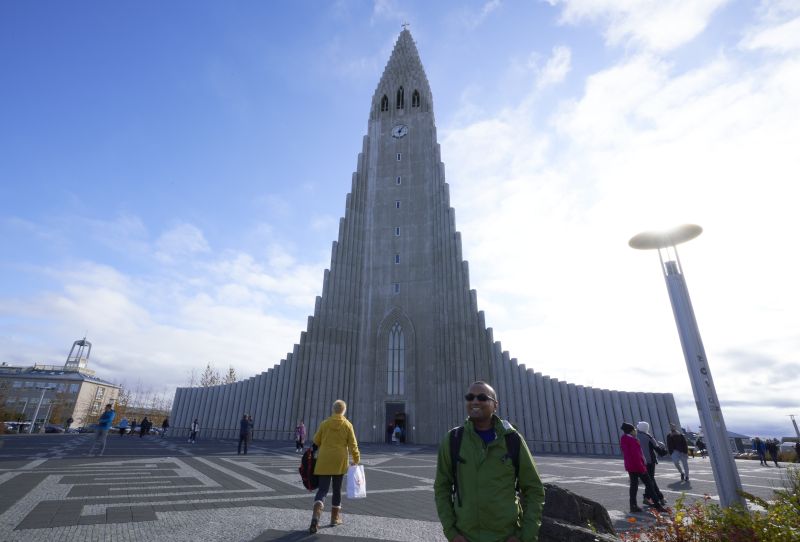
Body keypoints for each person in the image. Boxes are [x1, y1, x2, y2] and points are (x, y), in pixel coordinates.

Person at [434, 381, 545, 542]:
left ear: (495, 405)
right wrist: (451, 533)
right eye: (470, 397)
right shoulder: (453, 440)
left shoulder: (512, 440)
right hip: (466, 537)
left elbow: (534, 489)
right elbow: (441, 487)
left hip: (505, 536)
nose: (475, 401)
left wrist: (525, 536)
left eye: (482, 397)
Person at [309, 399, 360, 533]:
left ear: (333, 409)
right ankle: (334, 518)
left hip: (324, 459)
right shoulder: (348, 425)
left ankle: (316, 515)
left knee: (323, 490)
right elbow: (353, 445)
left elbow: (315, 442)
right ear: (344, 410)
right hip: (339, 460)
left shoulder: (324, 424)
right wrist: (356, 459)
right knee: (337, 489)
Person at [620, 422, 665, 514]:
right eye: (634, 430)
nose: (636, 431)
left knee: (634, 486)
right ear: (631, 431)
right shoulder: (633, 440)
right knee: (650, 485)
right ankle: (658, 506)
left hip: (630, 466)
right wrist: (642, 467)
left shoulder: (623, 439)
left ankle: (633, 505)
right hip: (638, 466)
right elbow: (637, 455)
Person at [636, 421, 666, 507]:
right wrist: (664, 449)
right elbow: (659, 450)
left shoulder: (635, 437)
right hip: (649, 461)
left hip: (640, 461)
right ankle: (653, 497)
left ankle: (656, 497)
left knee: (650, 480)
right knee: (651, 480)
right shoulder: (648, 437)